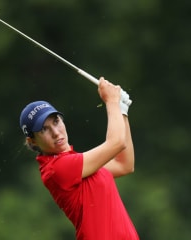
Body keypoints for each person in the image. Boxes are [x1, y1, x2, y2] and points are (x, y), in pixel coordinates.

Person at [19, 77, 139, 240]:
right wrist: (111, 101)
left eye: (56, 121)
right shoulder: (56, 169)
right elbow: (116, 142)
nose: (56, 132)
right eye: (44, 130)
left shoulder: (80, 164)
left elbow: (124, 164)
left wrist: (121, 110)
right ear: (32, 140)